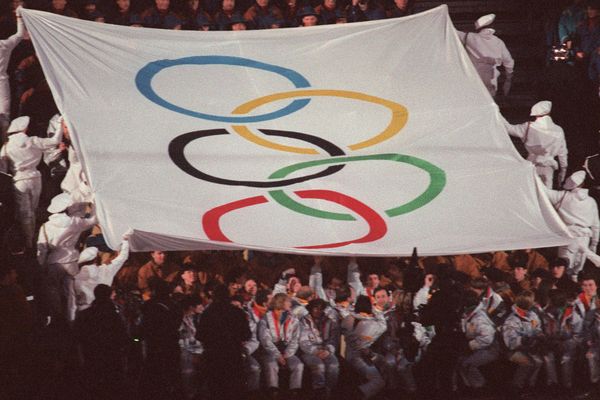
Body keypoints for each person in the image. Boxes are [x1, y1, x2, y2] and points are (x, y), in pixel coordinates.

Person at [1, 116, 63, 247]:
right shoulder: (33, 141)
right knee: (33, 210)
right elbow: (55, 140)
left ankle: (28, 242)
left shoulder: (6, 148)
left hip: (19, 180)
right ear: (25, 128)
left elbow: (3, 171)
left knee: (24, 212)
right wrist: (59, 124)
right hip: (35, 177)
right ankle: (32, 236)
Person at [37, 193, 97, 322]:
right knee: (71, 294)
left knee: (53, 291)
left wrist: (42, 266)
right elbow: (92, 220)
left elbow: (41, 251)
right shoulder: (74, 222)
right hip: (71, 260)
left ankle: (57, 318)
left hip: (53, 262)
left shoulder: (45, 226)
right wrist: (93, 205)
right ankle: (72, 319)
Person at [73, 284, 129, 399]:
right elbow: (122, 336)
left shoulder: (84, 315)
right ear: (108, 296)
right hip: (112, 357)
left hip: (91, 356)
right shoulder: (114, 315)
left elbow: (77, 336)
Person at [544, 171, 600, 278]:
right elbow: (596, 225)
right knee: (577, 271)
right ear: (583, 184)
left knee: (564, 268)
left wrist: (532, 171)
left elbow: (543, 191)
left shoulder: (562, 196)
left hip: (569, 236)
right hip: (584, 238)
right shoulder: (591, 201)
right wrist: (594, 243)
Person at [504, 101, 568, 188]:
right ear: (549, 113)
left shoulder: (529, 127)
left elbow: (509, 128)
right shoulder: (559, 130)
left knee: (530, 193)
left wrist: (497, 113)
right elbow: (562, 153)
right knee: (544, 195)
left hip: (531, 165)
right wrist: (562, 172)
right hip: (548, 168)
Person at [258, 292, 304, 400]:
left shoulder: (293, 319)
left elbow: (295, 339)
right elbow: (265, 340)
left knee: (298, 365)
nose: (290, 303)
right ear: (281, 302)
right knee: (271, 364)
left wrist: (287, 354)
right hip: (270, 350)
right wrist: (277, 355)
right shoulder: (266, 319)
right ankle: (273, 391)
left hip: (288, 350)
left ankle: (295, 392)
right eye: (288, 301)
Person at [340, 295, 387, 400]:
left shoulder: (348, 318)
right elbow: (383, 325)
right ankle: (357, 395)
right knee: (379, 381)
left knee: (384, 362)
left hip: (351, 354)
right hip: (360, 356)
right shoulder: (372, 323)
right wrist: (376, 310)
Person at [458, 13, 514, 97]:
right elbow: (508, 62)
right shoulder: (499, 42)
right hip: (490, 79)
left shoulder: (469, 37)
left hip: (473, 77)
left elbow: (451, 31)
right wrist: (508, 78)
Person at [73, 233, 130, 312]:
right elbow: (123, 257)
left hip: (82, 312)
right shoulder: (106, 270)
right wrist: (125, 240)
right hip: (104, 310)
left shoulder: (74, 276)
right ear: (96, 259)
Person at [502, 290, 544, 397]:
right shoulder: (512, 319)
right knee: (527, 363)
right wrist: (523, 340)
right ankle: (516, 387)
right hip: (512, 350)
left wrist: (540, 336)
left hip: (528, 347)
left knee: (538, 361)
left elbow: (537, 328)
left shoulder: (532, 315)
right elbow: (510, 342)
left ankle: (530, 385)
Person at [458, 290, 499, 394]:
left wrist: (470, 345)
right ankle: (469, 386)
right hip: (479, 347)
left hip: (490, 349)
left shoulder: (479, 318)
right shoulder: (468, 314)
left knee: (468, 364)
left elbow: (487, 337)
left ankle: (480, 387)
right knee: (460, 362)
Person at [299, 298, 339, 399]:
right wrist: (315, 351)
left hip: (326, 350)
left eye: (321, 309)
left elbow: (333, 339)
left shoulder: (329, 321)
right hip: (309, 351)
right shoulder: (303, 321)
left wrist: (328, 350)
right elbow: (303, 341)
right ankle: (319, 392)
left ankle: (329, 392)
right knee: (319, 366)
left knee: (333, 365)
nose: (318, 311)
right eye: (315, 308)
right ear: (311, 309)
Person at [0, 6, 23, 139]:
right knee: (4, 115)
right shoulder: (5, 44)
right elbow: (20, 35)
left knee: (4, 115)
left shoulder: (4, 44)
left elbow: (19, 35)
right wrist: (19, 17)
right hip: (2, 81)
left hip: (2, 81)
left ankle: (3, 144)